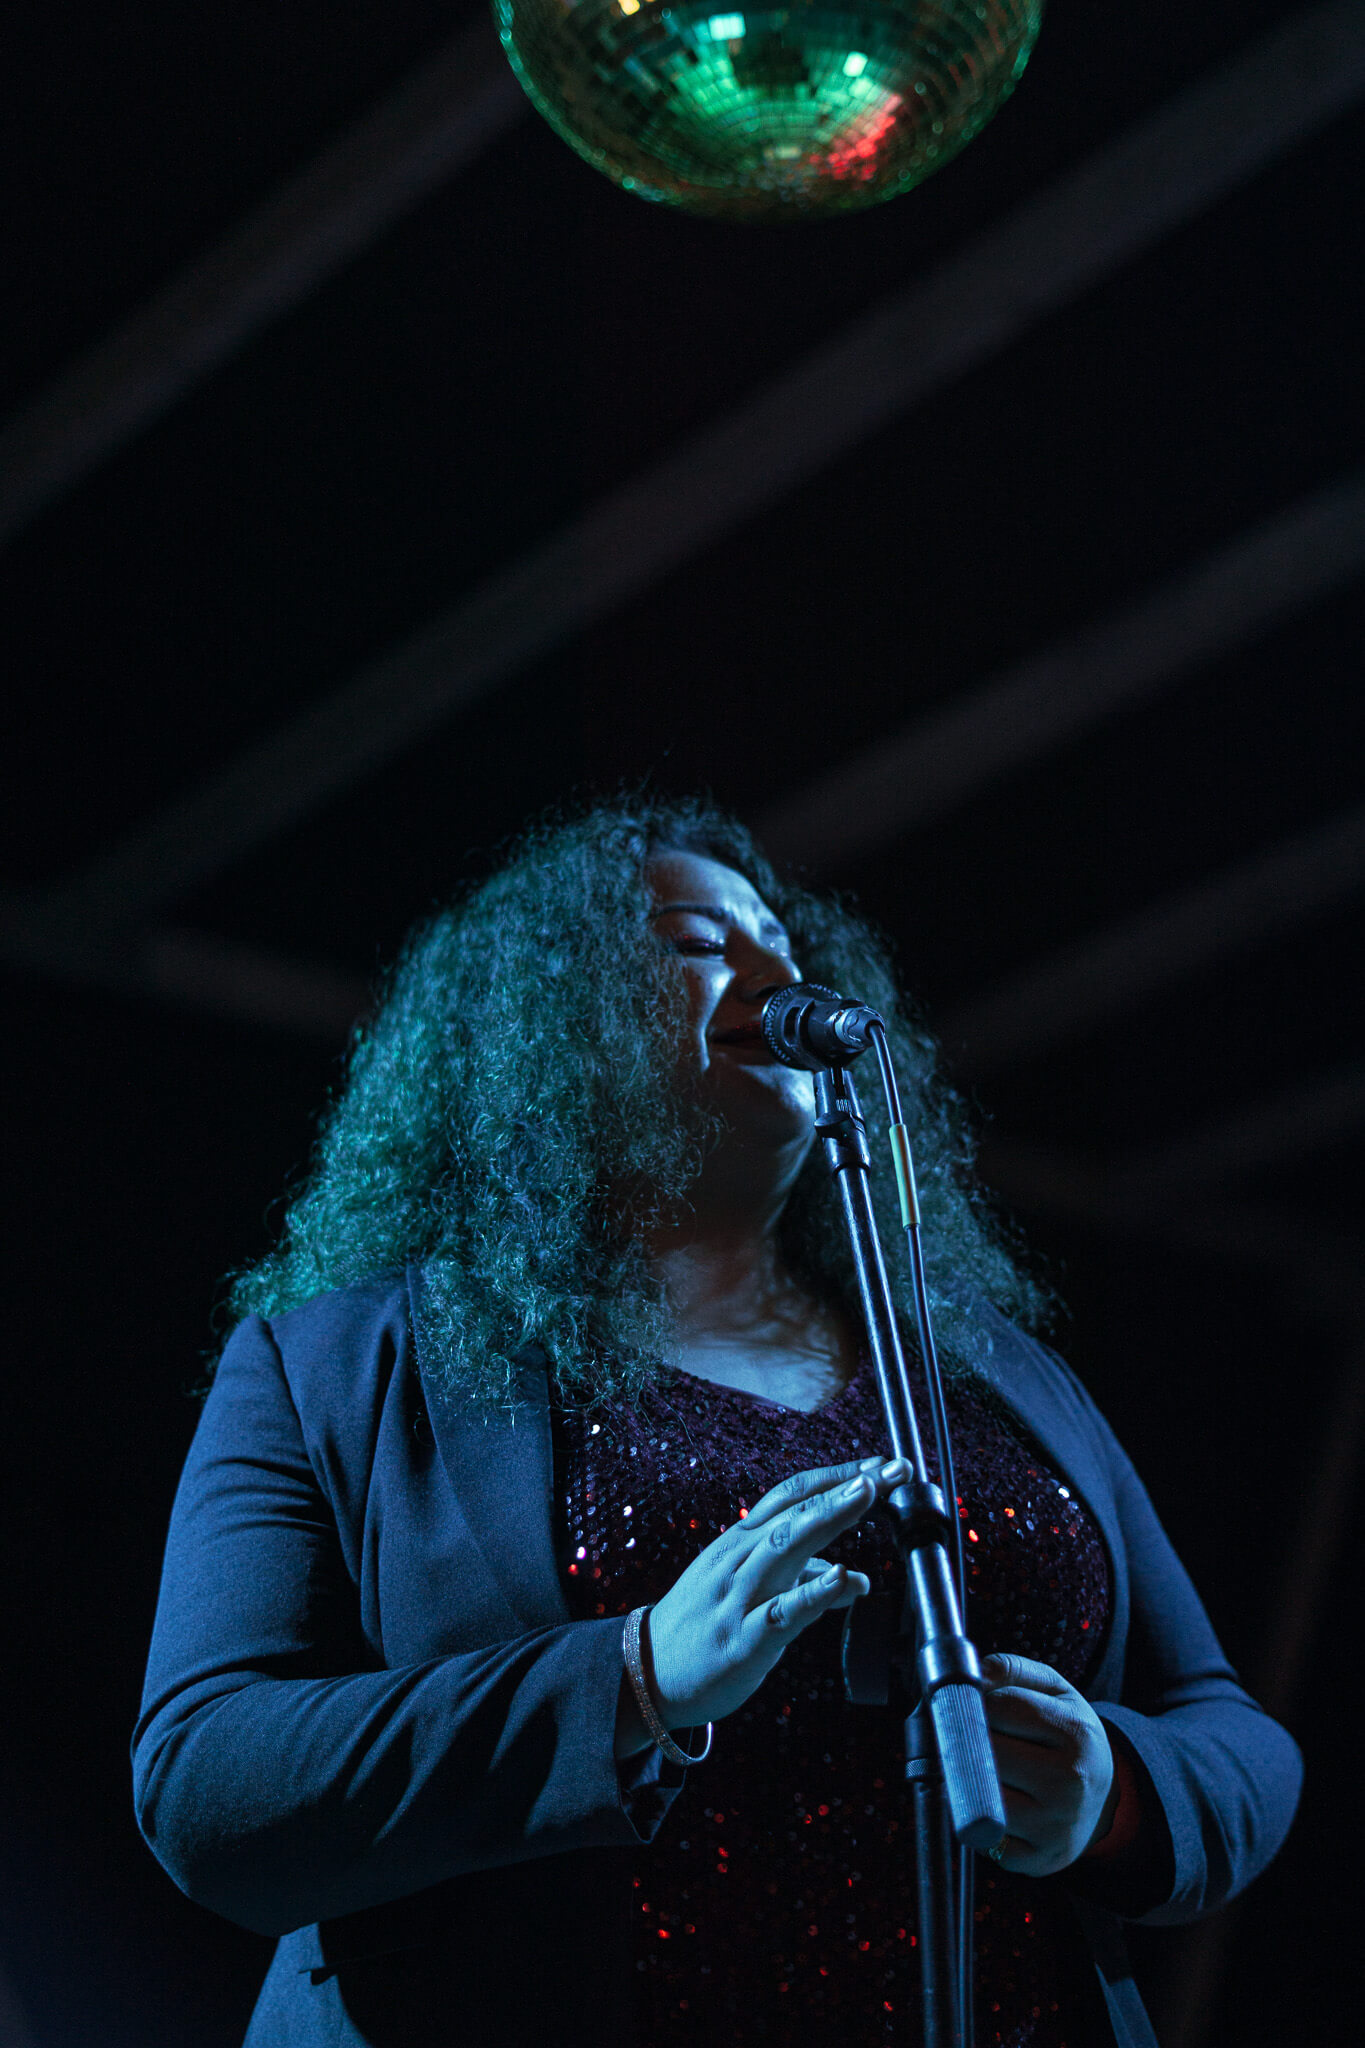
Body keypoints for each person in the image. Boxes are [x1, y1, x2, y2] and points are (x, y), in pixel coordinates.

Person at [133, 796, 1300, 2048]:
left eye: (785, 947)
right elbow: (204, 1775)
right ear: (552, 1022)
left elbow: (1229, 1726)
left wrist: (1113, 1793)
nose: (774, 975)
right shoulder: (338, 1366)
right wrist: (629, 1678)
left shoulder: (992, 1372)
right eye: (700, 943)